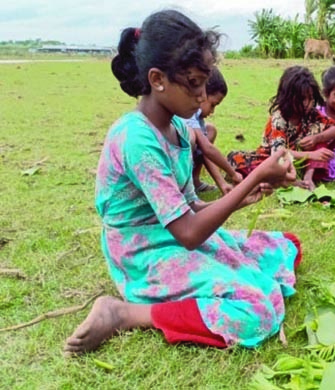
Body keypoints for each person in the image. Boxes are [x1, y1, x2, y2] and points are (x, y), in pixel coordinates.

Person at [64, 10, 301, 355]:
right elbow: (189, 232)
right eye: (193, 83)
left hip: (170, 234)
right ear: (157, 79)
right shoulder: (136, 139)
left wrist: (246, 191)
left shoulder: (176, 129)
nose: (202, 96)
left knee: (284, 247)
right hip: (142, 251)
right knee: (256, 312)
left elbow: (190, 208)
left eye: (204, 83)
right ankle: (125, 313)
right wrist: (258, 175)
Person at [227, 66, 335, 190]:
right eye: (302, 99)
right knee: (240, 159)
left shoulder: (312, 113)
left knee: (321, 144)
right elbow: (279, 153)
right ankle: (288, 181)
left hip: (300, 162)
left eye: (310, 99)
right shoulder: (280, 118)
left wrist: (316, 138)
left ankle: (308, 178)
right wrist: (311, 155)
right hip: (274, 159)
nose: (307, 104)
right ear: (290, 98)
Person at [184, 67, 243, 194]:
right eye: (213, 105)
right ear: (202, 94)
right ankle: (182, 186)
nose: (212, 111)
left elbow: (206, 152)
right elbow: (207, 149)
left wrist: (222, 183)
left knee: (210, 130)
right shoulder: (187, 112)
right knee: (192, 137)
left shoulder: (197, 117)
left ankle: (195, 181)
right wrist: (233, 173)